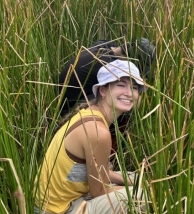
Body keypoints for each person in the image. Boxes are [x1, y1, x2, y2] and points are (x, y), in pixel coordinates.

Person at [35, 60, 146, 214]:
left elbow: (103, 173)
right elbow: (99, 192)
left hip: (67, 197)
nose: (128, 93)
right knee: (143, 196)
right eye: (121, 85)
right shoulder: (98, 132)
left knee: (137, 177)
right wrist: (139, 188)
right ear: (103, 90)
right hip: (57, 210)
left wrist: (135, 181)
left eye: (134, 88)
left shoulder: (89, 113)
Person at [58, 38, 155, 153]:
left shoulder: (104, 46)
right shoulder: (111, 67)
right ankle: (111, 152)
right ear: (129, 59)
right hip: (72, 108)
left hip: (69, 100)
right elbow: (136, 102)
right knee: (124, 107)